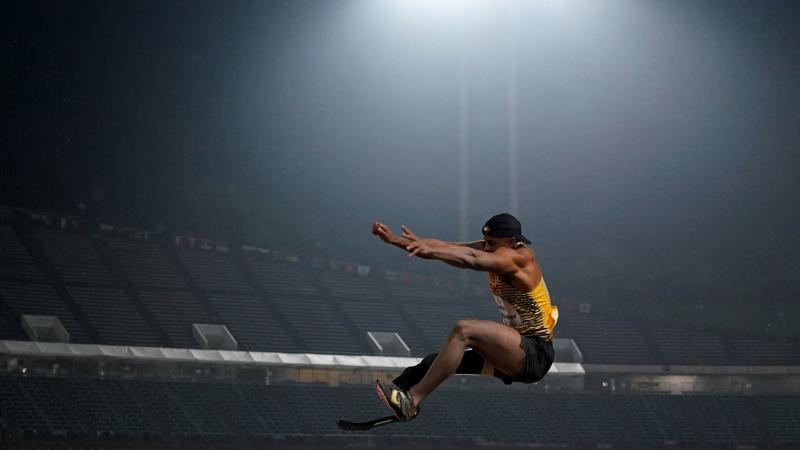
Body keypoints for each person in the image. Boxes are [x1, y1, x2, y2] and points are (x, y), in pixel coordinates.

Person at [371, 213, 559, 422]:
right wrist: (397, 241)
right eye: (485, 242)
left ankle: (412, 401)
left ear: (512, 242)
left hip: (534, 353)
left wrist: (432, 250)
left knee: (464, 330)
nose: (486, 248)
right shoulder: (495, 248)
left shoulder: (520, 258)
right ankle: (399, 391)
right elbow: (450, 247)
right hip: (513, 352)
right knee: (433, 363)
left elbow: (471, 258)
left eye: (492, 244)